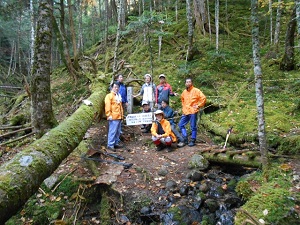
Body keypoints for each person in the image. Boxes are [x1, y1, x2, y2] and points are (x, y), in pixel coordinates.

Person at [178, 78, 206, 147]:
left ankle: (193, 140)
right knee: (181, 124)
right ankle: (185, 138)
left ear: (191, 83)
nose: (188, 83)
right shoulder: (184, 92)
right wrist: (183, 109)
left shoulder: (196, 90)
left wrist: (198, 105)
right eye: (187, 82)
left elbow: (203, 98)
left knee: (193, 126)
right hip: (186, 112)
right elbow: (182, 100)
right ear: (185, 83)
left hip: (193, 111)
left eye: (189, 82)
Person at [105, 82, 124, 151]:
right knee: (112, 131)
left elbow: (120, 107)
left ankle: (116, 143)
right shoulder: (109, 96)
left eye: (117, 87)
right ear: (112, 87)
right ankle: (110, 145)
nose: (116, 88)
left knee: (118, 131)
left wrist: (122, 116)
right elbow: (107, 106)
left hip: (119, 116)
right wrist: (108, 115)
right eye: (115, 87)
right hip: (113, 117)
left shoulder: (118, 95)